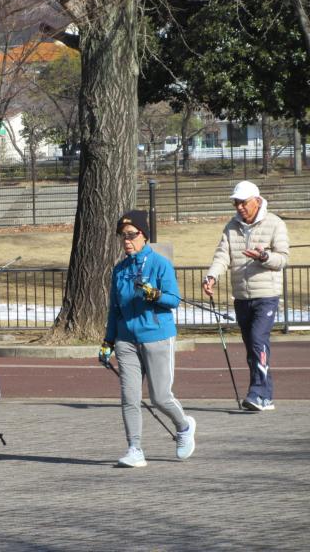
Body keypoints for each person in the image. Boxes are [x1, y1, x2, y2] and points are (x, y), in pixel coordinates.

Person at [101, 210, 196, 468]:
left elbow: (173, 300)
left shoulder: (159, 264)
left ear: (144, 236)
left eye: (131, 235)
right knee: (129, 397)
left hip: (156, 336)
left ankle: (184, 426)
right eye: (123, 236)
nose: (126, 241)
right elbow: (114, 309)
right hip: (126, 340)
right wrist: (108, 341)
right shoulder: (119, 270)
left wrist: (155, 295)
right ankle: (135, 449)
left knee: (160, 397)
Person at [202, 181, 289, 412]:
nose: (239, 207)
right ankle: (265, 395)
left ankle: (258, 393)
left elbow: (282, 259)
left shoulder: (275, 224)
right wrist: (211, 276)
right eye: (236, 203)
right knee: (252, 346)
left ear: (257, 201)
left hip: (266, 295)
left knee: (258, 339)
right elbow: (222, 256)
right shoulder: (232, 226)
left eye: (243, 202)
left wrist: (263, 257)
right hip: (241, 296)